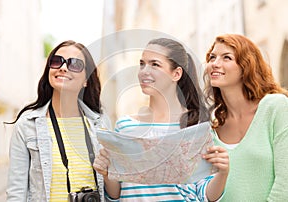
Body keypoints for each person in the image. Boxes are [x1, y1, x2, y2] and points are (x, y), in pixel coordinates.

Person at [93, 38, 229, 201]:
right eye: (142, 64)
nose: (144, 71)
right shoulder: (125, 127)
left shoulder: (195, 126)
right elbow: (116, 195)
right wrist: (107, 174)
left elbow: (204, 194)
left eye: (155, 64)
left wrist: (222, 173)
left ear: (176, 73)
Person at [6, 40, 111, 201]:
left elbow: (114, 192)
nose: (63, 67)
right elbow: (16, 193)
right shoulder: (27, 125)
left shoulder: (101, 123)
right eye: (56, 61)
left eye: (75, 64)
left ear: (86, 79)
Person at [203, 34, 288, 201]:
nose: (215, 64)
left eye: (226, 57)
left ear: (246, 66)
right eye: (212, 57)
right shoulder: (211, 130)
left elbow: (285, 184)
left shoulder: (275, 107)